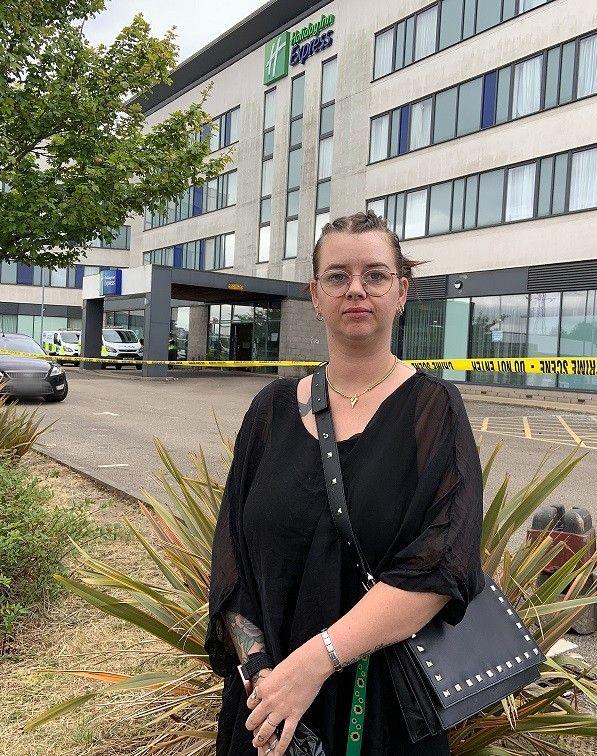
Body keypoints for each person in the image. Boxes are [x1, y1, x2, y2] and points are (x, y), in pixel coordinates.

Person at [207, 212, 485, 756]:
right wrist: (264, 677)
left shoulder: (435, 414)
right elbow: (233, 559)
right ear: (315, 294)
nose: (356, 289)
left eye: (375, 275)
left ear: (401, 291)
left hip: (383, 715)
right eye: (337, 276)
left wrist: (312, 664)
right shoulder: (270, 412)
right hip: (269, 715)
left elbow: (442, 566)